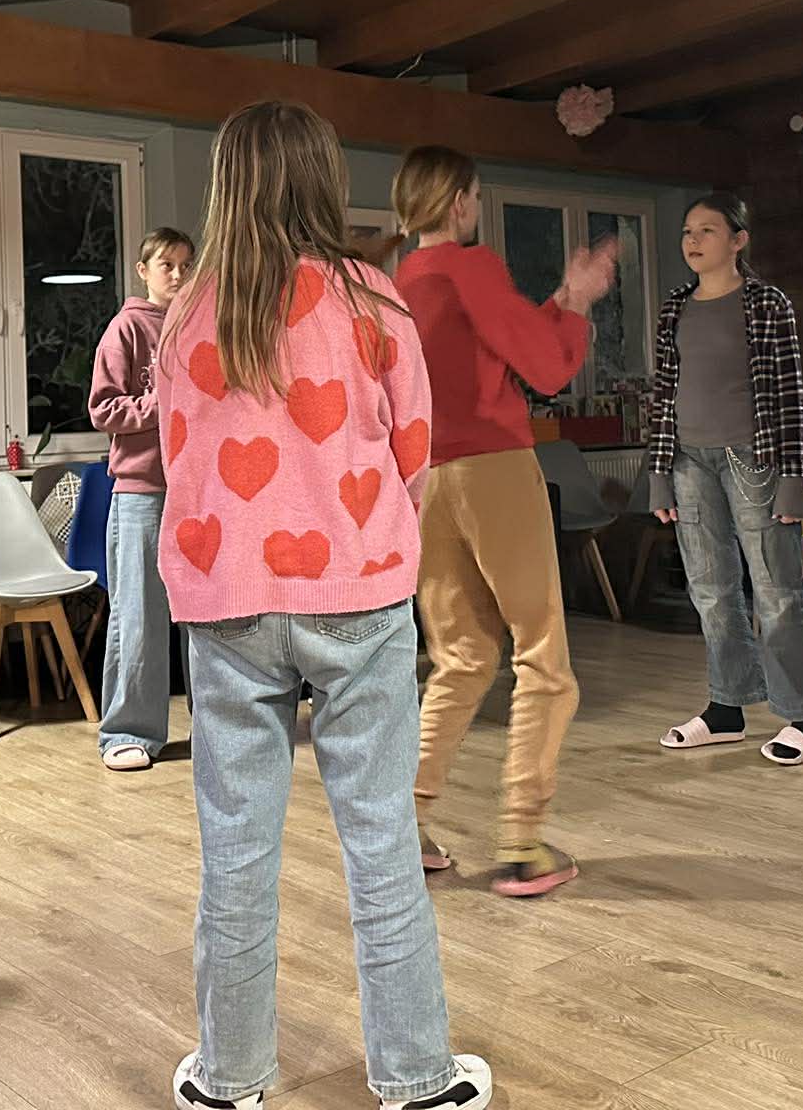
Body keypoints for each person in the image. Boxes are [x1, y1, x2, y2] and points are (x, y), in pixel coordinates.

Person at [158, 102, 491, 1110]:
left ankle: (229, 1079)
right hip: (356, 591)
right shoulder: (372, 299)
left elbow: (179, 462)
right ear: (321, 179)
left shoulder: (187, 311)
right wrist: (372, 538)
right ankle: (417, 1080)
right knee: (381, 839)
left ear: (227, 184)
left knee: (236, 849)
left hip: (226, 603)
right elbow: (414, 450)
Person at [389, 145, 615, 897]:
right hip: (493, 467)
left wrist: (561, 299)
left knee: (459, 658)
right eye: (477, 196)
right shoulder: (470, 266)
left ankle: (404, 826)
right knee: (543, 656)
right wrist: (578, 303)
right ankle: (522, 842)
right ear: (459, 201)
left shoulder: (399, 284)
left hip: (427, 481)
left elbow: (496, 342)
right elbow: (547, 366)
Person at [649, 193, 803, 765]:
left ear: (738, 239)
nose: (693, 241)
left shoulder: (767, 304)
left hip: (755, 460)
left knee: (777, 591)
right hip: (688, 463)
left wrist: (795, 478)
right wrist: (659, 474)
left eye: (707, 230)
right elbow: (662, 396)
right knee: (710, 591)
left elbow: (791, 395)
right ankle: (726, 709)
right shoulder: (674, 308)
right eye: (687, 231)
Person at [88, 226, 197, 771]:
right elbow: (103, 409)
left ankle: (217, 726)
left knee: (206, 617)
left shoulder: (199, 326)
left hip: (197, 495)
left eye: (185, 265)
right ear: (143, 271)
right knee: (139, 617)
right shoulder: (126, 328)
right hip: (142, 494)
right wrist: (164, 403)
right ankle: (127, 732)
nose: (177, 275)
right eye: (166, 265)